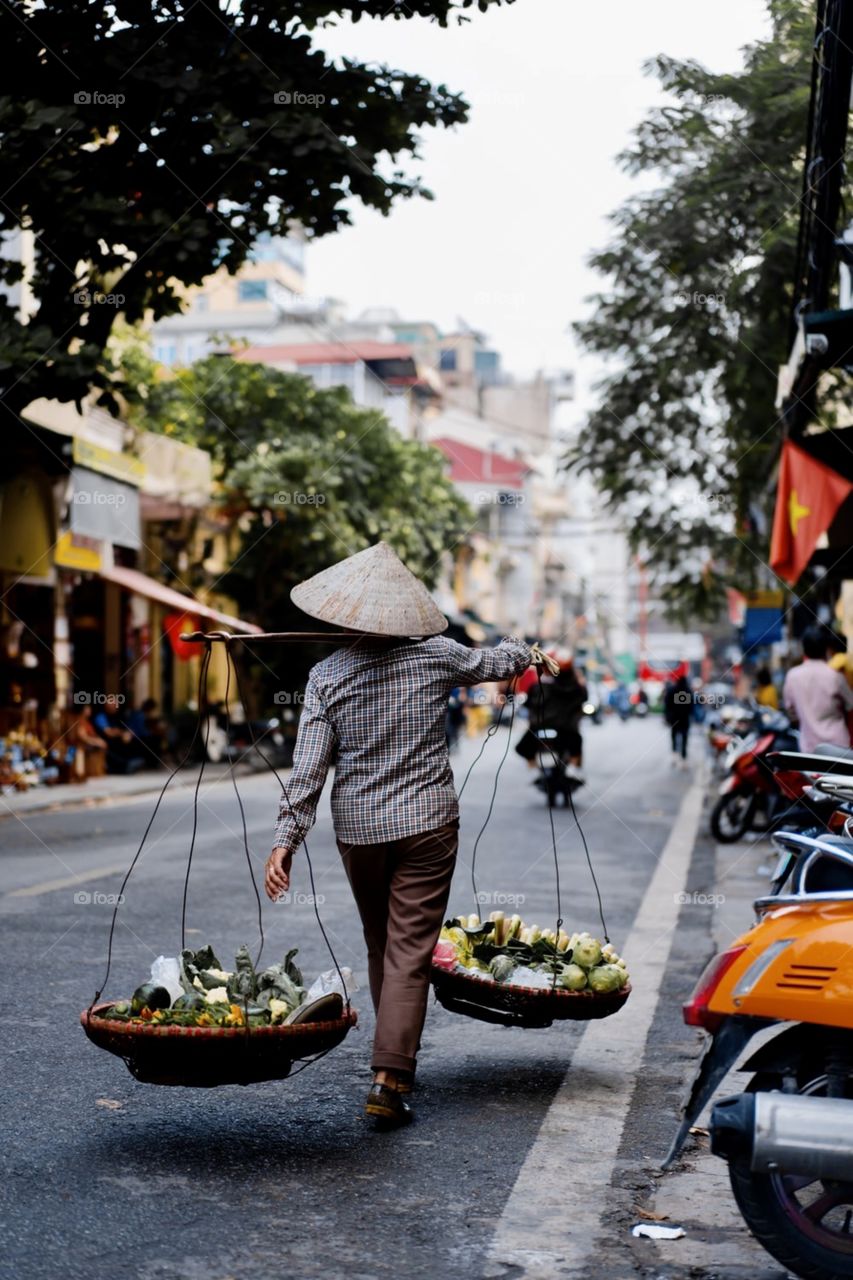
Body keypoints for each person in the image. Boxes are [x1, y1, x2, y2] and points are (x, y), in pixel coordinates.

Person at [263, 542, 554, 1129]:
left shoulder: (326, 675)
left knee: (384, 946)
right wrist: (529, 653)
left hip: (361, 832)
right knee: (409, 951)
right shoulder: (436, 656)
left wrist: (284, 842)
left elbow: (309, 770)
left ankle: (392, 1062)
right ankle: (390, 1074)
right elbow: (495, 662)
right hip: (427, 826)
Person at [783, 625, 853, 753]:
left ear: (804, 649)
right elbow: (851, 706)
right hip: (839, 748)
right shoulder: (835, 676)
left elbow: (791, 712)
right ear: (827, 648)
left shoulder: (792, 676)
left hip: (809, 748)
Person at [664, 673, 692, 767]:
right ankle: (683, 758)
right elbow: (691, 706)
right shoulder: (688, 691)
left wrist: (667, 716)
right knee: (684, 738)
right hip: (685, 719)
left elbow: (667, 704)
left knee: (674, 736)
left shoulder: (672, 690)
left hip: (674, 718)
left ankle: (674, 755)